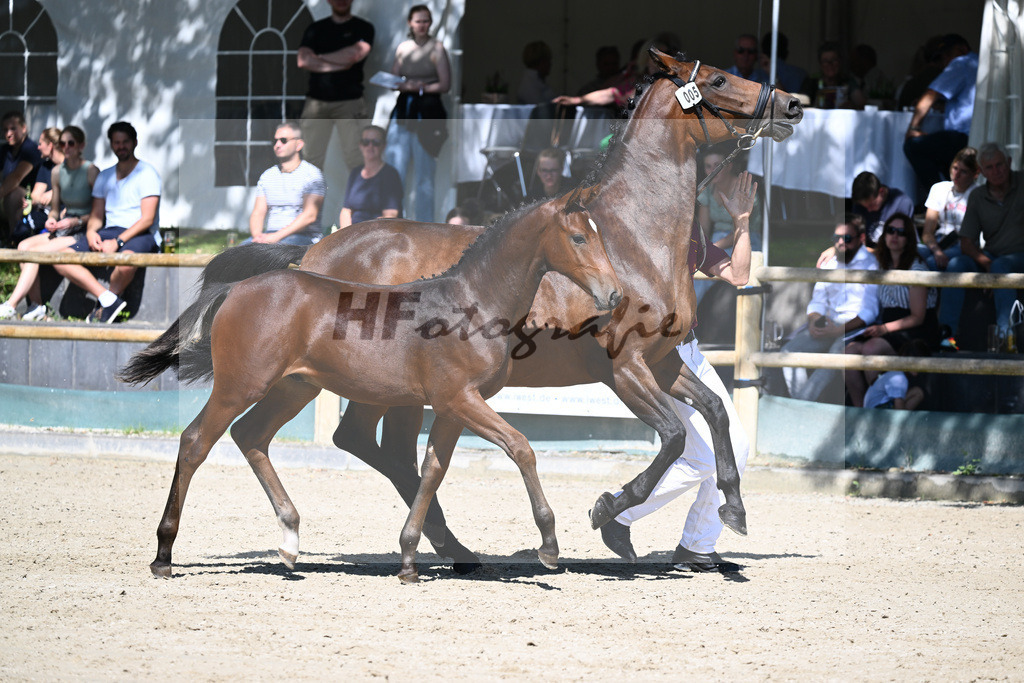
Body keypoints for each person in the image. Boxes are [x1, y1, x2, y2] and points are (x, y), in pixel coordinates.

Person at [597, 172, 758, 573]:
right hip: (654, 354)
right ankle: (620, 512)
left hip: (688, 351)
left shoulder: (690, 235)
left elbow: (738, 275)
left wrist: (742, 222)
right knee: (706, 459)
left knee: (736, 450)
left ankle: (695, 547)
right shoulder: (632, 232)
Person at [52, 121, 161, 324]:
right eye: (116, 142)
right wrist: (92, 232)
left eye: (125, 142)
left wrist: (118, 243)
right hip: (108, 231)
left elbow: (147, 219)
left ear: (135, 143)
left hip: (139, 233)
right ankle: (107, 298)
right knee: (60, 258)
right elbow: (96, 215)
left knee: (127, 262)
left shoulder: (148, 173)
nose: (121, 146)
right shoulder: (105, 176)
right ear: (111, 144)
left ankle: (106, 305)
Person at [0, 126, 98, 321]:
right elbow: (54, 209)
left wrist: (75, 220)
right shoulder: (56, 172)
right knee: (23, 246)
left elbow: (98, 212)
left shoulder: (90, 171)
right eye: (63, 143)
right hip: (63, 229)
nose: (66, 147)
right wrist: (53, 219)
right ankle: (36, 306)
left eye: (71, 143)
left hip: (83, 230)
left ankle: (11, 305)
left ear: (81, 146)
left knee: (35, 252)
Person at [781, 214, 880, 402]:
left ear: (861, 239)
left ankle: (800, 407)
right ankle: (806, 407)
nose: (841, 243)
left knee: (833, 358)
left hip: (854, 328)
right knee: (788, 351)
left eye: (847, 238)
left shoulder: (871, 264)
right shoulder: (830, 261)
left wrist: (837, 330)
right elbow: (818, 300)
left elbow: (869, 312)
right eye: (837, 238)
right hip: (828, 323)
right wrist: (813, 321)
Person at [845, 213, 938, 407]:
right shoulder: (883, 263)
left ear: (909, 238)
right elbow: (861, 250)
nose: (895, 236)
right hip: (888, 328)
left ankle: (880, 406)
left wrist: (884, 329)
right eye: (890, 230)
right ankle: (859, 411)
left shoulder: (917, 269)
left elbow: (918, 317)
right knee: (850, 352)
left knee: (871, 348)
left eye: (901, 232)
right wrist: (834, 248)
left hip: (915, 330)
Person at [937, 142, 1024, 349]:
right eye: (989, 167)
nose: (996, 171)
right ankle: (947, 336)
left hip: (1018, 256)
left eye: (1000, 165)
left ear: (1009, 162)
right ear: (981, 171)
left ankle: (1005, 335)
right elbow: (966, 242)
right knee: (956, 264)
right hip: (993, 257)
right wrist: (986, 264)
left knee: (1001, 266)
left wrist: (993, 267)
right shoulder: (978, 196)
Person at [384, 5, 450, 223]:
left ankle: (426, 228)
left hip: (428, 113)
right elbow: (394, 80)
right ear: (410, 23)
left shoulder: (437, 47)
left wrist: (419, 87)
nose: (422, 25)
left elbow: (445, 84)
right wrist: (407, 86)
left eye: (426, 21)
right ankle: (394, 223)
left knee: (425, 177)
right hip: (404, 111)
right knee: (395, 172)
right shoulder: (403, 47)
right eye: (418, 21)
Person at [296, 0, 374, 173]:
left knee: (357, 159)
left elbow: (354, 55)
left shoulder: (363, 28)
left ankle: (357, 200)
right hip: (316, 102)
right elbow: (302, 60)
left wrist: (318, 58)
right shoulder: (316, 29)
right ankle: (312, 201)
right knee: (310, 161)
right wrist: (337, 64)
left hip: (350, 102)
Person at [903, 34, 978, 195]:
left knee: (913, 146)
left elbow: (930, 95)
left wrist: (914, 127)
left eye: (948, 56)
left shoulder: (962, 63)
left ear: (962, 49)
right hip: (979, 136)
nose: (945, 63)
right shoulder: (980, 63)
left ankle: (940, 200)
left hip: (962, 137)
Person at [246, 121, 325, 246]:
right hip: (270, 236)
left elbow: (310, 215)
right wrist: (258, 238)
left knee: (270, 255)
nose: (277, 145)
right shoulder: (267, 176)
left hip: (304, 238)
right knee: (234, 256)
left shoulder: (312, 175)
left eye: (283, 140)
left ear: (299, 144)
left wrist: (276, 237)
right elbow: (258, 212)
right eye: (275, 141)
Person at [919, 147, 981, 270]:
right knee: (912, 254)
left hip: (963, 245)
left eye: (963, 172)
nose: (956, 175)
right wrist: (936, 251)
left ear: (975, 174)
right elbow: (927, 233)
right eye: (955, 168)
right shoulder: (939, 189)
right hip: (939, 241)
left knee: (931, 263)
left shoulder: (978, 193)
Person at [338, 125, 402, 228]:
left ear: (384, 146)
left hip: (378, 233)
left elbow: (390, 215)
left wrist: (362, 234)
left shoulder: (390, 175)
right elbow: (346, 210)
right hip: (352, 235)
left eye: (376, 142)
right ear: (360, 145)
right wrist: (346, 235)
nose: (370, 146)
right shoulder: (355, 173)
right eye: (365, 142)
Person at [1, 111, 42, 245]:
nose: (8, 134)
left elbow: (16, 177)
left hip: (31, 200)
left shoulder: (31, 149)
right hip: (5, 197)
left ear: (24, 128)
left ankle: (14, 241)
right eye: (5, 130)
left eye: (13, 128)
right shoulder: (4, 150)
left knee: (13, 193)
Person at [850, 171, 916, 248]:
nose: (869, 210)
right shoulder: (859, 205)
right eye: (865, 207)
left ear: (881, 191)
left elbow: (906, 243)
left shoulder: (902, 203)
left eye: (872, 205)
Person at [801, 41, 864, 109]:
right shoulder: (812, 81)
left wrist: (852, 106)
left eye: (834, 60)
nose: (830, 65)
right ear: (820, 64)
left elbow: (862, 104)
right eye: (825, 61)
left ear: (840, 62)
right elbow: (801, 104)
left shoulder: (847, 81)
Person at [515, 40, 555, 105]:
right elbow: (541, 109)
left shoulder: (536, 81)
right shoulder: (529, 85)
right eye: (548, 60)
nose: (550, 64)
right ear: (541, 62)